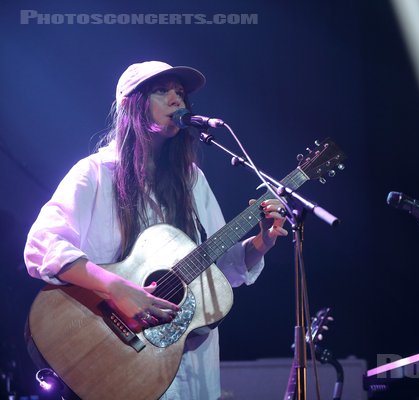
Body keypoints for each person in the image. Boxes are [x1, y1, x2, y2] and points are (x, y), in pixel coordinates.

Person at [23, 60, 288, 399]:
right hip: (115, 360)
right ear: (132, 104)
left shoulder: (192, 180)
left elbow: (218, 272)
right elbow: (43, 244)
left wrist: (261, 242)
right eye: (163, 91)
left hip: (185, 369)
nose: (178, 100)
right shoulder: (96, 173)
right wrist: (116, 287)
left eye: (180, 93)